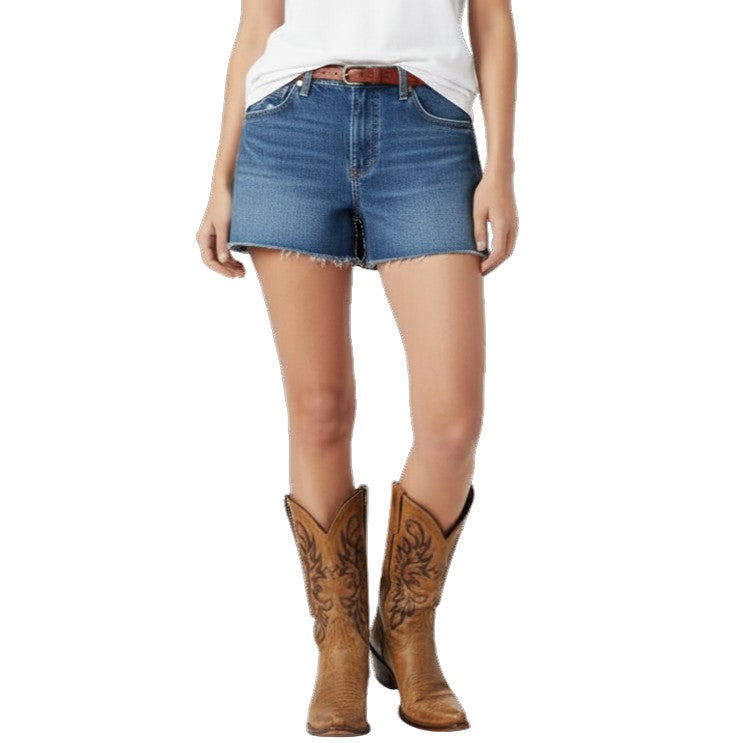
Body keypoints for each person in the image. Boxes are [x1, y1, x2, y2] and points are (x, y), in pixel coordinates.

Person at [196, 0, 518, 735]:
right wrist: (220, 178)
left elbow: (493, 21)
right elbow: (257, 29)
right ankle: (338, 647)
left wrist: (499, 168)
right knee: (319, 411)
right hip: (288, 127)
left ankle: (406, 628)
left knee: (452, 423)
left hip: (427, 130)